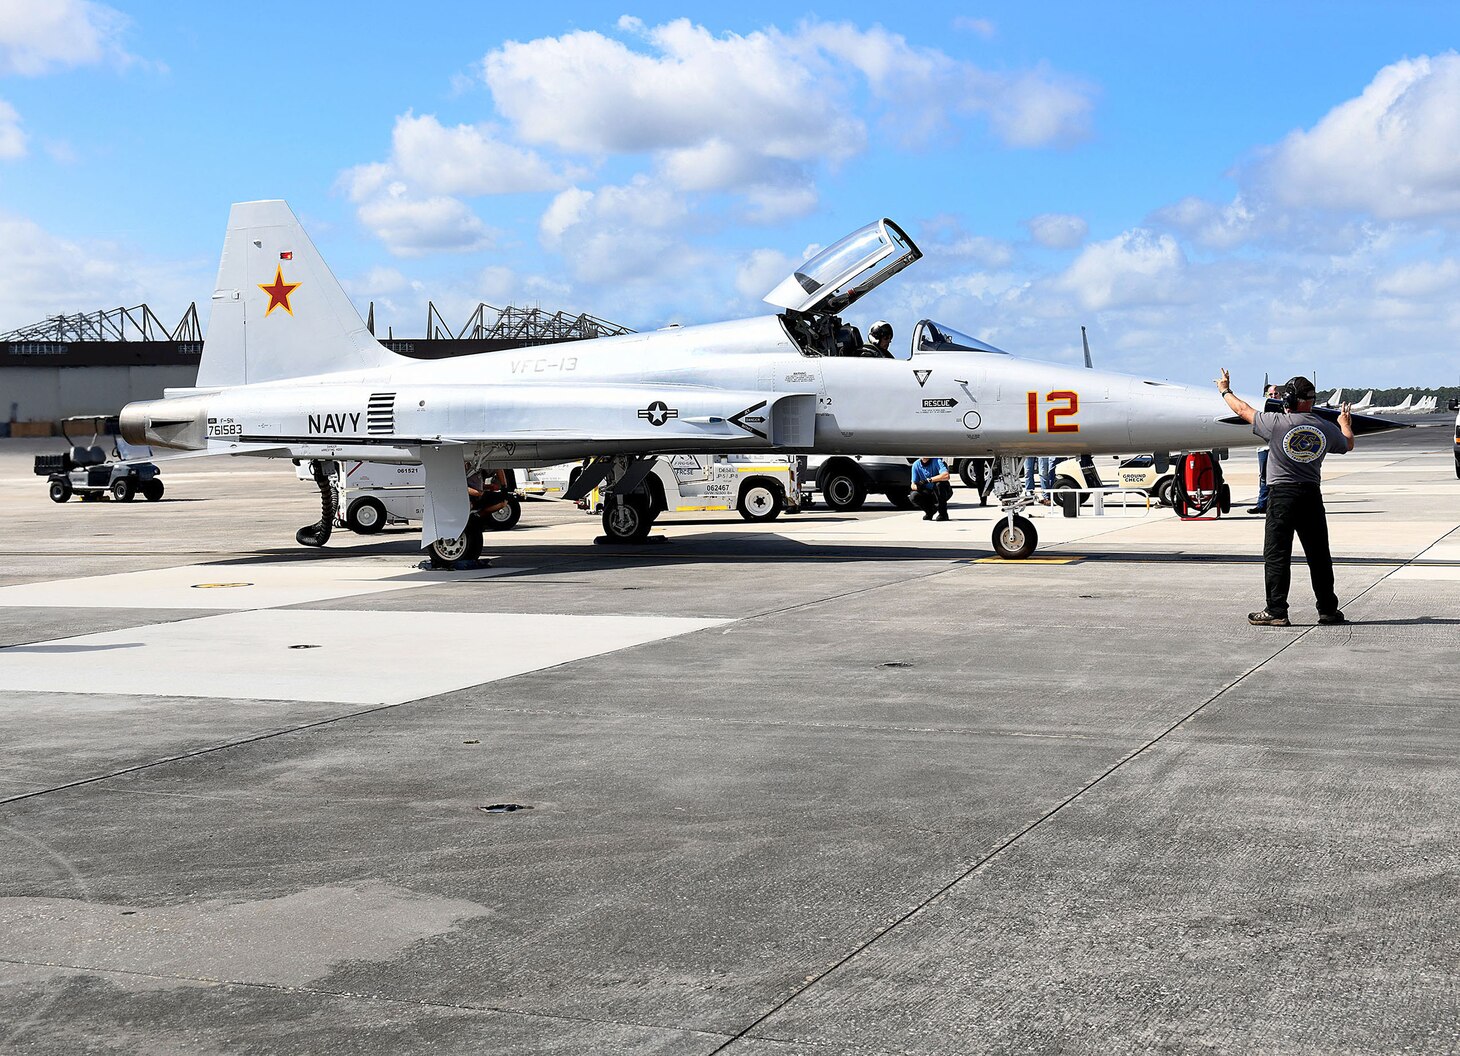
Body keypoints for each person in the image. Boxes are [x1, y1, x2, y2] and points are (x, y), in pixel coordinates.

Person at [1216, 370, 1354, 626]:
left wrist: (1225, 390)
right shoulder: (1323, 426)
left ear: (1288, 400)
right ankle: (1328, 610)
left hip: (1282, 496)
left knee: (1277, 554)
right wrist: (1345, 424)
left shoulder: (1276, 423)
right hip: (1311, 494)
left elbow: (1242, 410)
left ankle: (1277, 610)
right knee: (1319, 556)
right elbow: (1347, 445)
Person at [1248, 384, 1281, 514]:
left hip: (1277, 447)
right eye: (1271, 394)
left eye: (1276, 394)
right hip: (1263, 448)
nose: (1273, 396)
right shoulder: (1260, 409)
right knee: (1264, 477)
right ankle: (1262, 504)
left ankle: (1275, 505)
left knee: (1278, 477)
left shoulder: (1285, 408)